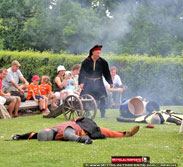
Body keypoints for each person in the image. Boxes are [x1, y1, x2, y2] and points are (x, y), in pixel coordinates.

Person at [12, 116, 140, 144]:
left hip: (82, 126)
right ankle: (125, 134)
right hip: (84, 130)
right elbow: (33, 134)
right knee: (104, 131)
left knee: (106, 131)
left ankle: (125, 134)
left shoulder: (61, 131)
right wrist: (20, 136)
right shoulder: (48, 132)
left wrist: (82, 140)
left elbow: (70, 135)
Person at [79, 45, 113, 118]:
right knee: (85, 98)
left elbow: (106, 73)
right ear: (93, 52)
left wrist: (110, 82)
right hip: (88, 82)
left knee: (102, 97)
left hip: (99, 82)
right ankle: (87, 111)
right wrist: (81, 83)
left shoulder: (103, 62)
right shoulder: (86, 62)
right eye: (97, 52)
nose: (98, 54)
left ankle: (103, 114)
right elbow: (82, 73)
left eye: (99, 53)